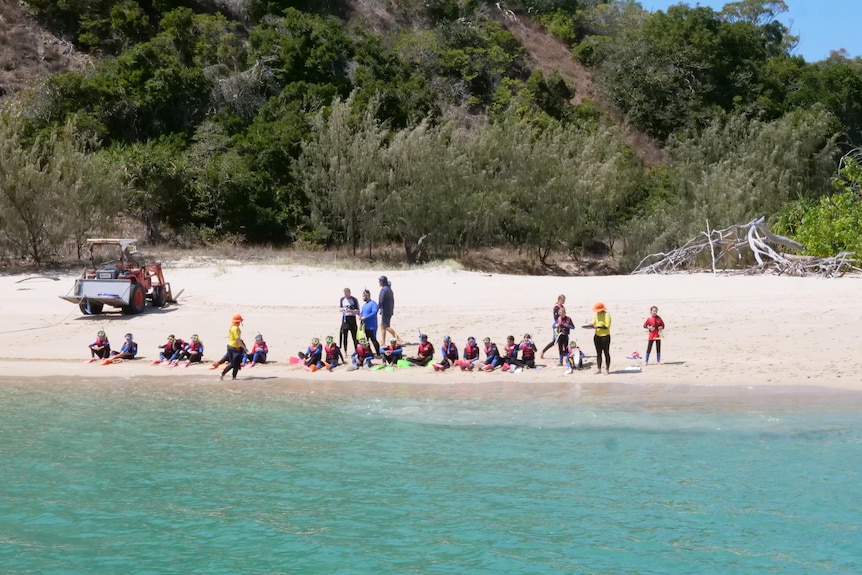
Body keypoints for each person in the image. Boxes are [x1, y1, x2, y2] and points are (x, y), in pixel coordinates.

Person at [219, 314, 247, 381]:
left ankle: (234, 378)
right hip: (233, 348)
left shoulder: (232, 327)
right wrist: (244, 348)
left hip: (231, 347)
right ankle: (222, 374)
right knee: (234, 364)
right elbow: (237, 339)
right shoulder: (235, 328)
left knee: (236, 364)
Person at [540, 294, 567, 359]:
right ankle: (543, 351)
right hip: (557, 325)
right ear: (559, 300)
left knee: (564, 339)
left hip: (562, 324)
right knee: (555, 341)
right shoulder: (556, 307)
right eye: (563, 300)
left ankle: (564, 354)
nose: (564, 301)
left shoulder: (562, 306)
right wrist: (560, 324)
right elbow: (556, 318)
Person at [590, 302, 612, 375]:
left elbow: (607, 326)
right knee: (598, 353)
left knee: (606, 352)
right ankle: (599, 369)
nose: (597, 312)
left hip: (605, 336)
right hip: (597, 336)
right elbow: (593, 323)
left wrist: (598, 327)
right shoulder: (596, 315)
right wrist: (591, 325)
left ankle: (607, 369)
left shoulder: (607, 315)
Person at [378, 275, 400, 345]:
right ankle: (383, 341)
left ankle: (397, 337)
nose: (379, 282)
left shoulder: (384, 290)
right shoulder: (389, 290)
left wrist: (377, 308)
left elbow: (380, 301)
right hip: (389, 310)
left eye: (380, 281)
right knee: (382, 326)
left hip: (386, 310)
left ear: (382, 281)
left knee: (386, 326)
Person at [359, 289, 381, 355]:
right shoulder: (364, 305)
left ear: (368, 296)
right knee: (366, 341)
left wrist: (366, 317)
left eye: (364, 296)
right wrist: (360, 316)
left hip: (372, 326)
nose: (363, 298)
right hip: (365, 326)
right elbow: (362, 313)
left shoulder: (373, 303)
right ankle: (369, 352)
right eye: (362, 296)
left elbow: (374, 312)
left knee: (373, 340)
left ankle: (378, 353)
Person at [339, 288, 360, 353]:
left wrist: (351, 310)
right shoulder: (342, 299)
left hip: (352, 318)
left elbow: (357, 310)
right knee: (344, 334)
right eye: (345, 294)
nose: (346, 295)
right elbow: (340, 308)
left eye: (347, 293)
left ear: (349, 293)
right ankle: (345, 351)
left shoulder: (354, 299)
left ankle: (356, 349)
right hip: (345, 318)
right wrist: (343, 309)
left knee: (354, 335)